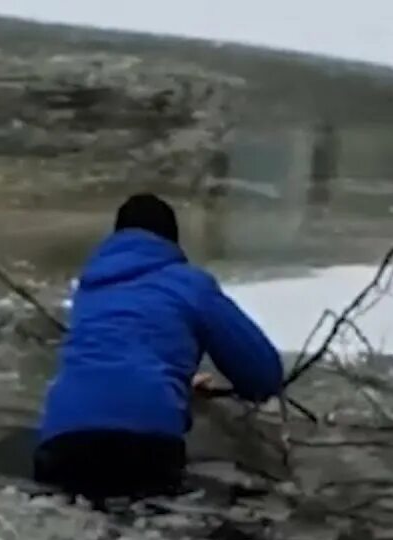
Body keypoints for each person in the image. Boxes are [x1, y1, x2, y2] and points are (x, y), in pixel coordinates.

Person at [33, 192, 284, 504]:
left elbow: (115, 361)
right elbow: (263, 374)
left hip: (62, 437)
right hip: (145, 442)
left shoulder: (91, 288)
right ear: (171, 244)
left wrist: (181, 384)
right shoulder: (189, 283)